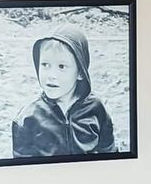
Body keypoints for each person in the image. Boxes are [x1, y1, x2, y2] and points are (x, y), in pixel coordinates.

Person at [12, 25, 116, 157]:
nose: (51, 75)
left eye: (61, 66)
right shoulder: (27, 119)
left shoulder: (96, 108)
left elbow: (109, 152)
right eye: (45, 65)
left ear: (80, 72)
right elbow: (22, 169)